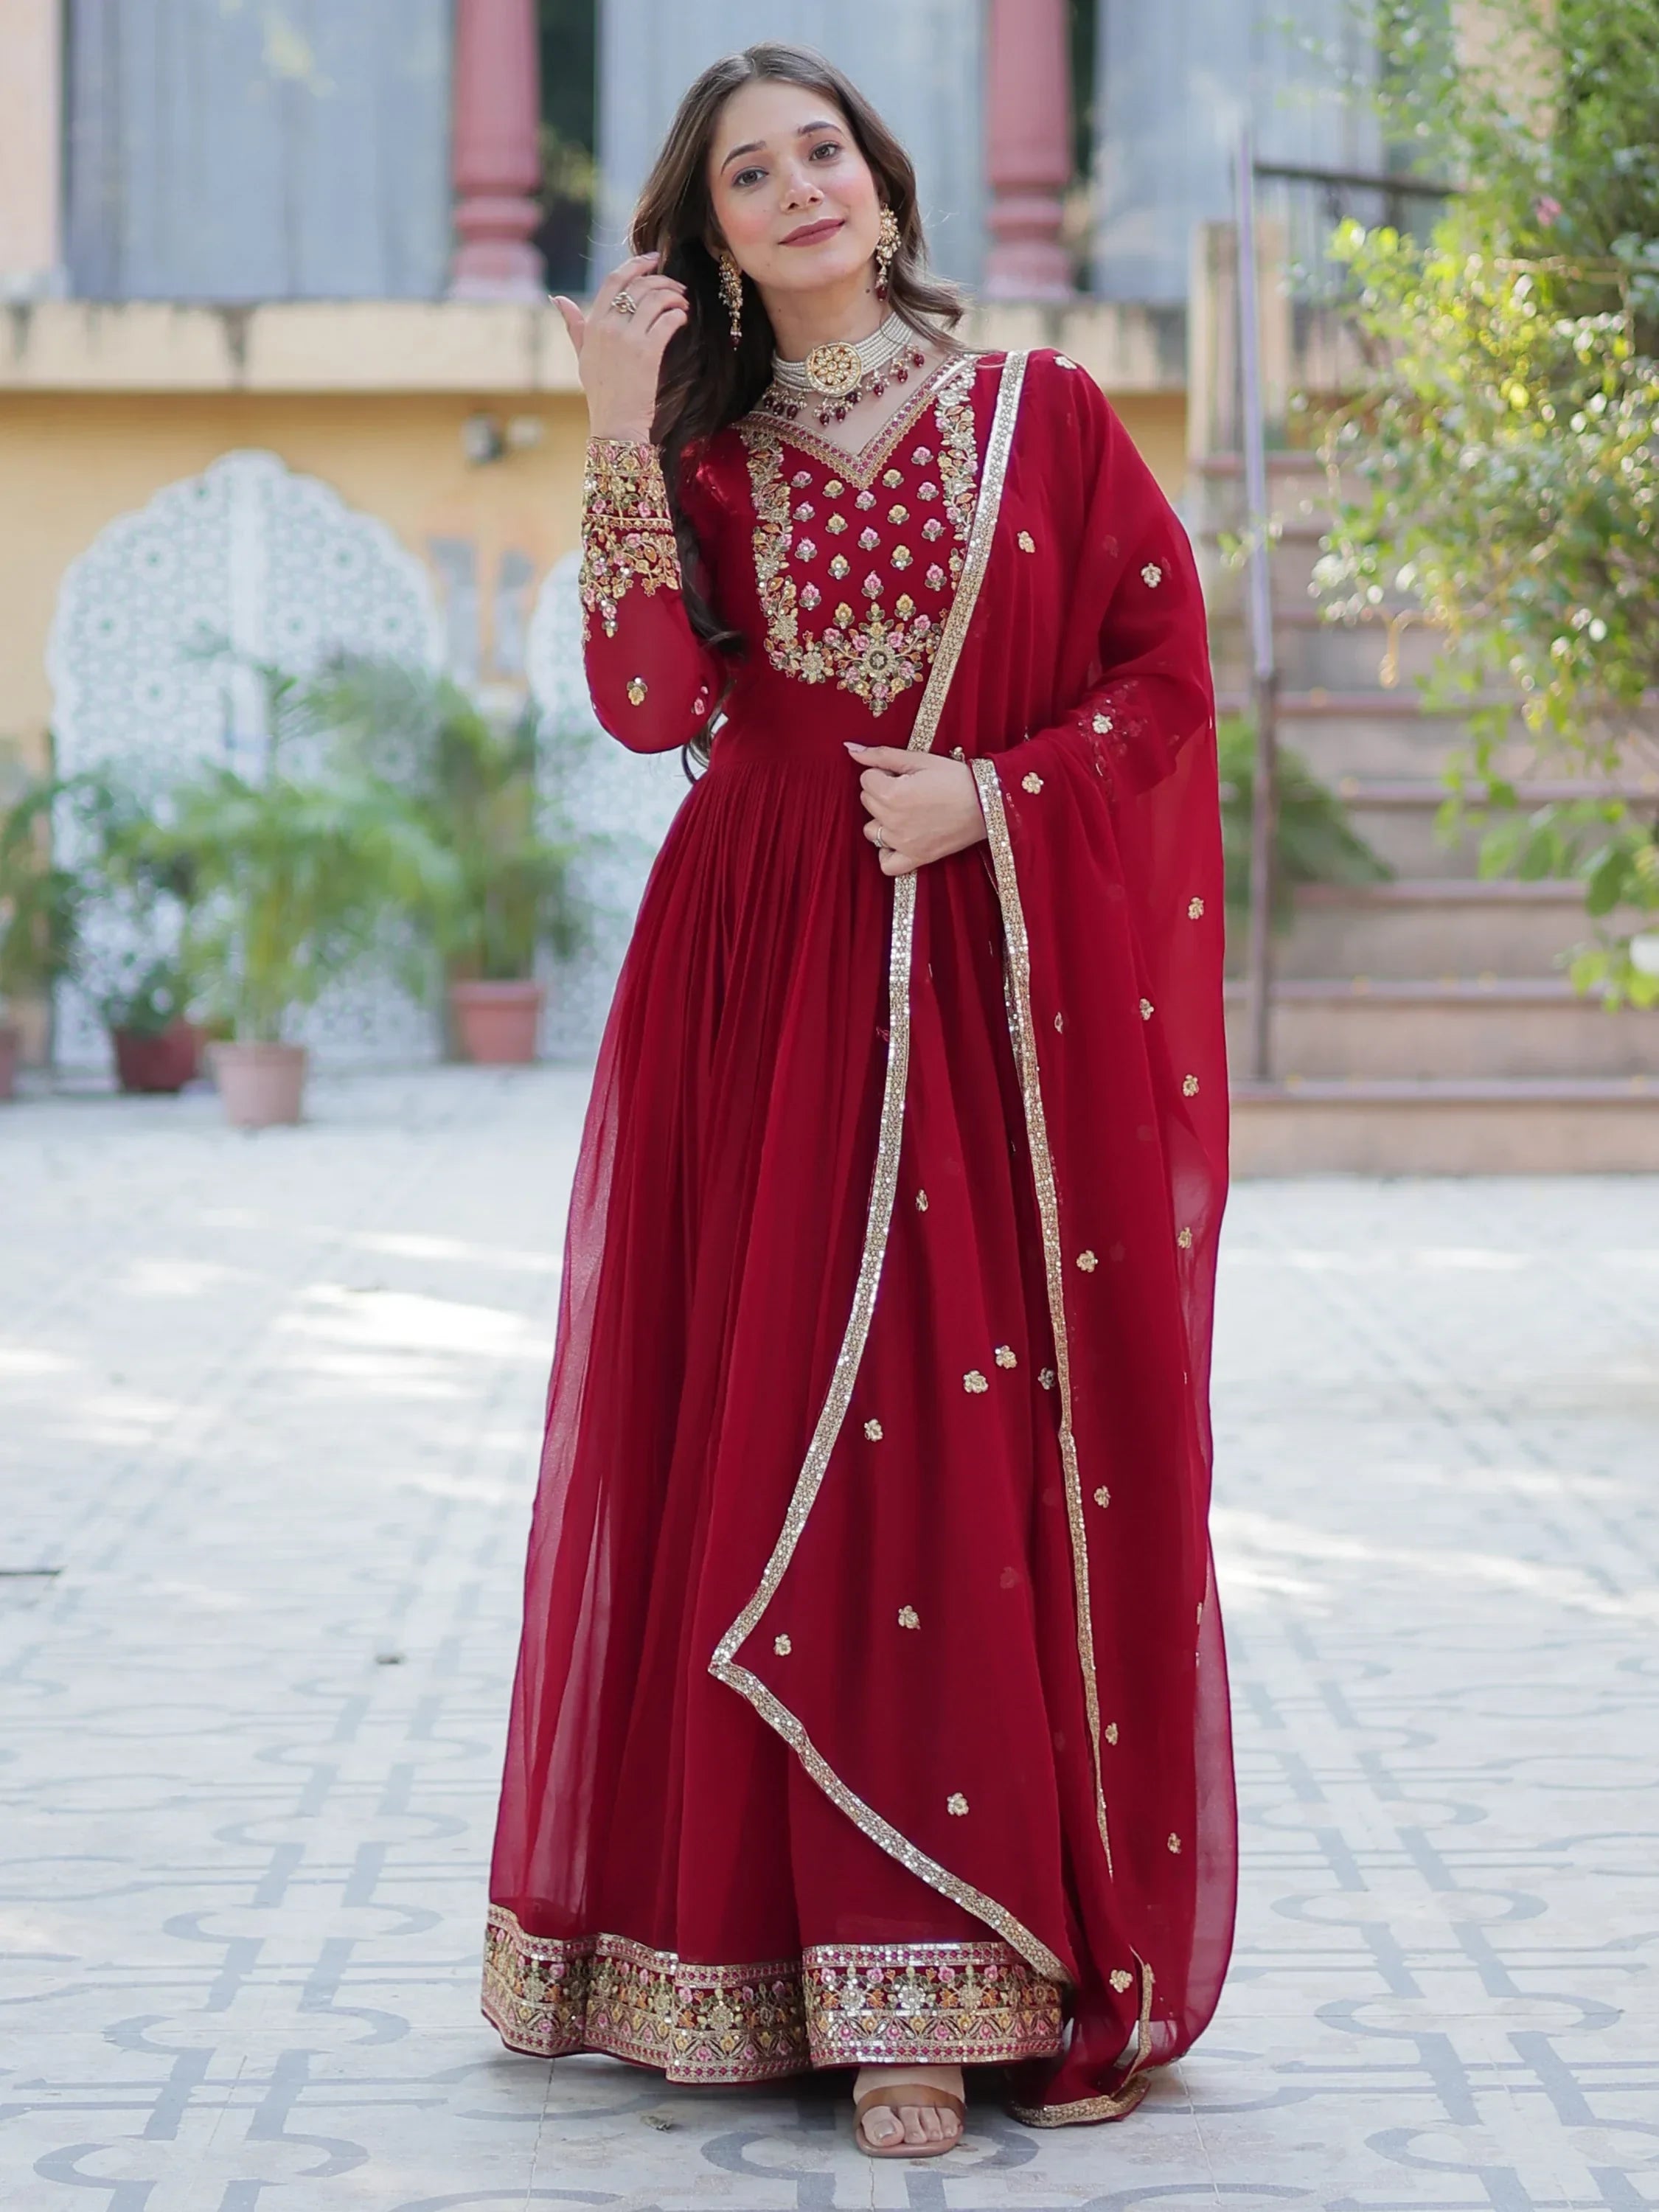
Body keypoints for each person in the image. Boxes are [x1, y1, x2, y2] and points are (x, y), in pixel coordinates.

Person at [483, 41, 1236, 2159]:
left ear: (884, 188)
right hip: (765, 983)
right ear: (709, 233)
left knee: (957, 1436)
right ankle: (762, 1961)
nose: (798, 187)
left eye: (821, 151)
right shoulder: (705, 453)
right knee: (766, 1427)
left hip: (984, 989)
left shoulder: (1046, 421)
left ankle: (957, 1958)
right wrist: (620, 433)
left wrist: (992, 797)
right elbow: (647, 712)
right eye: (748, 172)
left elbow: (1161, 686)